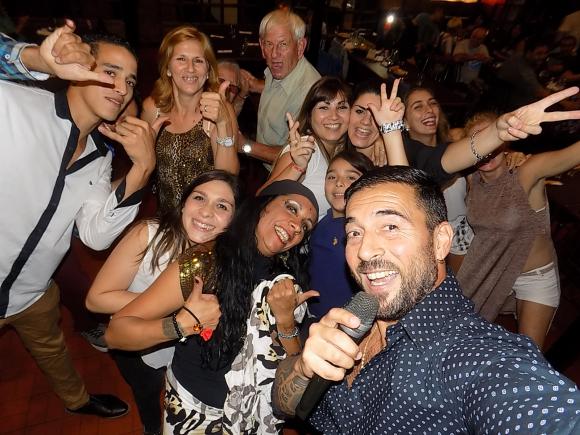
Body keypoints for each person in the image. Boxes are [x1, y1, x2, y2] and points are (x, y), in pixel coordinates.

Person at [272, 166, 580, 434]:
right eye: (355, 232)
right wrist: (302, 369)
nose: (364, 250)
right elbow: (282, 403)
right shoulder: (358, 312)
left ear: (440, 241)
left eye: (391, 226)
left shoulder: (473, 357)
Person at [0, 21, 165, 418]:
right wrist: (36, 58)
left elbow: (95, 235)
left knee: (53, 350)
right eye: (110, 72)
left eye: (130, 80)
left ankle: (77, 402)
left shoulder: (100, 155)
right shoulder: (15, 104)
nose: (122, 88)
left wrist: (143, 169)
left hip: (33, 293)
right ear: (78, 68)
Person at [105, 180, 319, 433]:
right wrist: (181, 324)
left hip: (255, 413)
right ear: (264, 205)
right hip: (195, 412)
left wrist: (286, 323)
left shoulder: (287, 281)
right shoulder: (205, 262)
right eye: (291, 208)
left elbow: (295, 364)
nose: (297, 226)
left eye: (306, 226)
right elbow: (116, 333)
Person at [86, 170, 239, 434]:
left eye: (222, 206)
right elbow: (96, 300)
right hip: (141, 350)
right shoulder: (149, 235)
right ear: (183, 204)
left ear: (234, 220)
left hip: (185, 357)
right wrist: (169, 303)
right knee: (147, 395)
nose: (206, 212)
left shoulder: (225, 257)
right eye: (199, 198)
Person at [457, 113, 580, 350]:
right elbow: (446, 138)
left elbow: (572, 155)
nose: (488, 150)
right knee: (463, 337)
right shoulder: (471, 177)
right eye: (480, 142)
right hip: (495, 272)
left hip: (534, 278)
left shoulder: (526, 172)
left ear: (506, 142)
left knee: (527, 354)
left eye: (493, 140)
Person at [141, 25, 239, 215]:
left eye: (198, 61)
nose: (191, 68)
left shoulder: (220, 109)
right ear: (167, 68)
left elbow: (228, 178)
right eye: (181, 59)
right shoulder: (153, 109)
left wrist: (222, 123)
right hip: (165, 219)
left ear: (208, 69)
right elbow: (142, 168)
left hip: (205, 219)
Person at [261, 76, 351, 219]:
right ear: (309, 115)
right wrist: (297, 167)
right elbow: (262, 198)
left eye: (341, 107)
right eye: (324, 107)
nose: (334, 116)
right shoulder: (305, 149)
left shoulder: (340, 155)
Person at [240, 9, 321, 163]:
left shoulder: (310, 93)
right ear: (261, 46)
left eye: (283, 44)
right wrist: (257, 85)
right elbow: (282, 88)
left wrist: (245, 145)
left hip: (284, 172)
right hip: (263, 159)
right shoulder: (283, 68)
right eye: (269, 44)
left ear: (300, 47)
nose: (274, 54)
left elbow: (296, 155)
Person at [307, 150, 373, 319]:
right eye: (331, 177)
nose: (339, 183)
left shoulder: (365, 229)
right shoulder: (319, 223)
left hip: (349, 321)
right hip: (314, 316)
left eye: (351, 177)